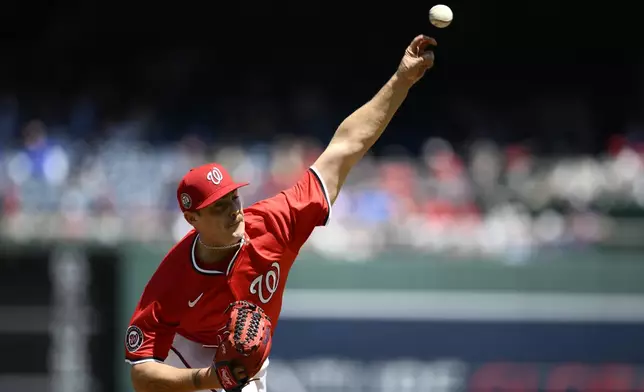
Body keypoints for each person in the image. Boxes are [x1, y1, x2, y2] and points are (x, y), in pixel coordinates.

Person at [125, 34, 437, 392]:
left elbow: (345, 147)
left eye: (233, 199)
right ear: (192, 219)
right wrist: (206, 378)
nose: (233, 212)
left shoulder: (275, 221)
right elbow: (141, 373)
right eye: (218, 207)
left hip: (246, 364)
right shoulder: (173, 277)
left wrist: (401, 80)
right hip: (186, 355)